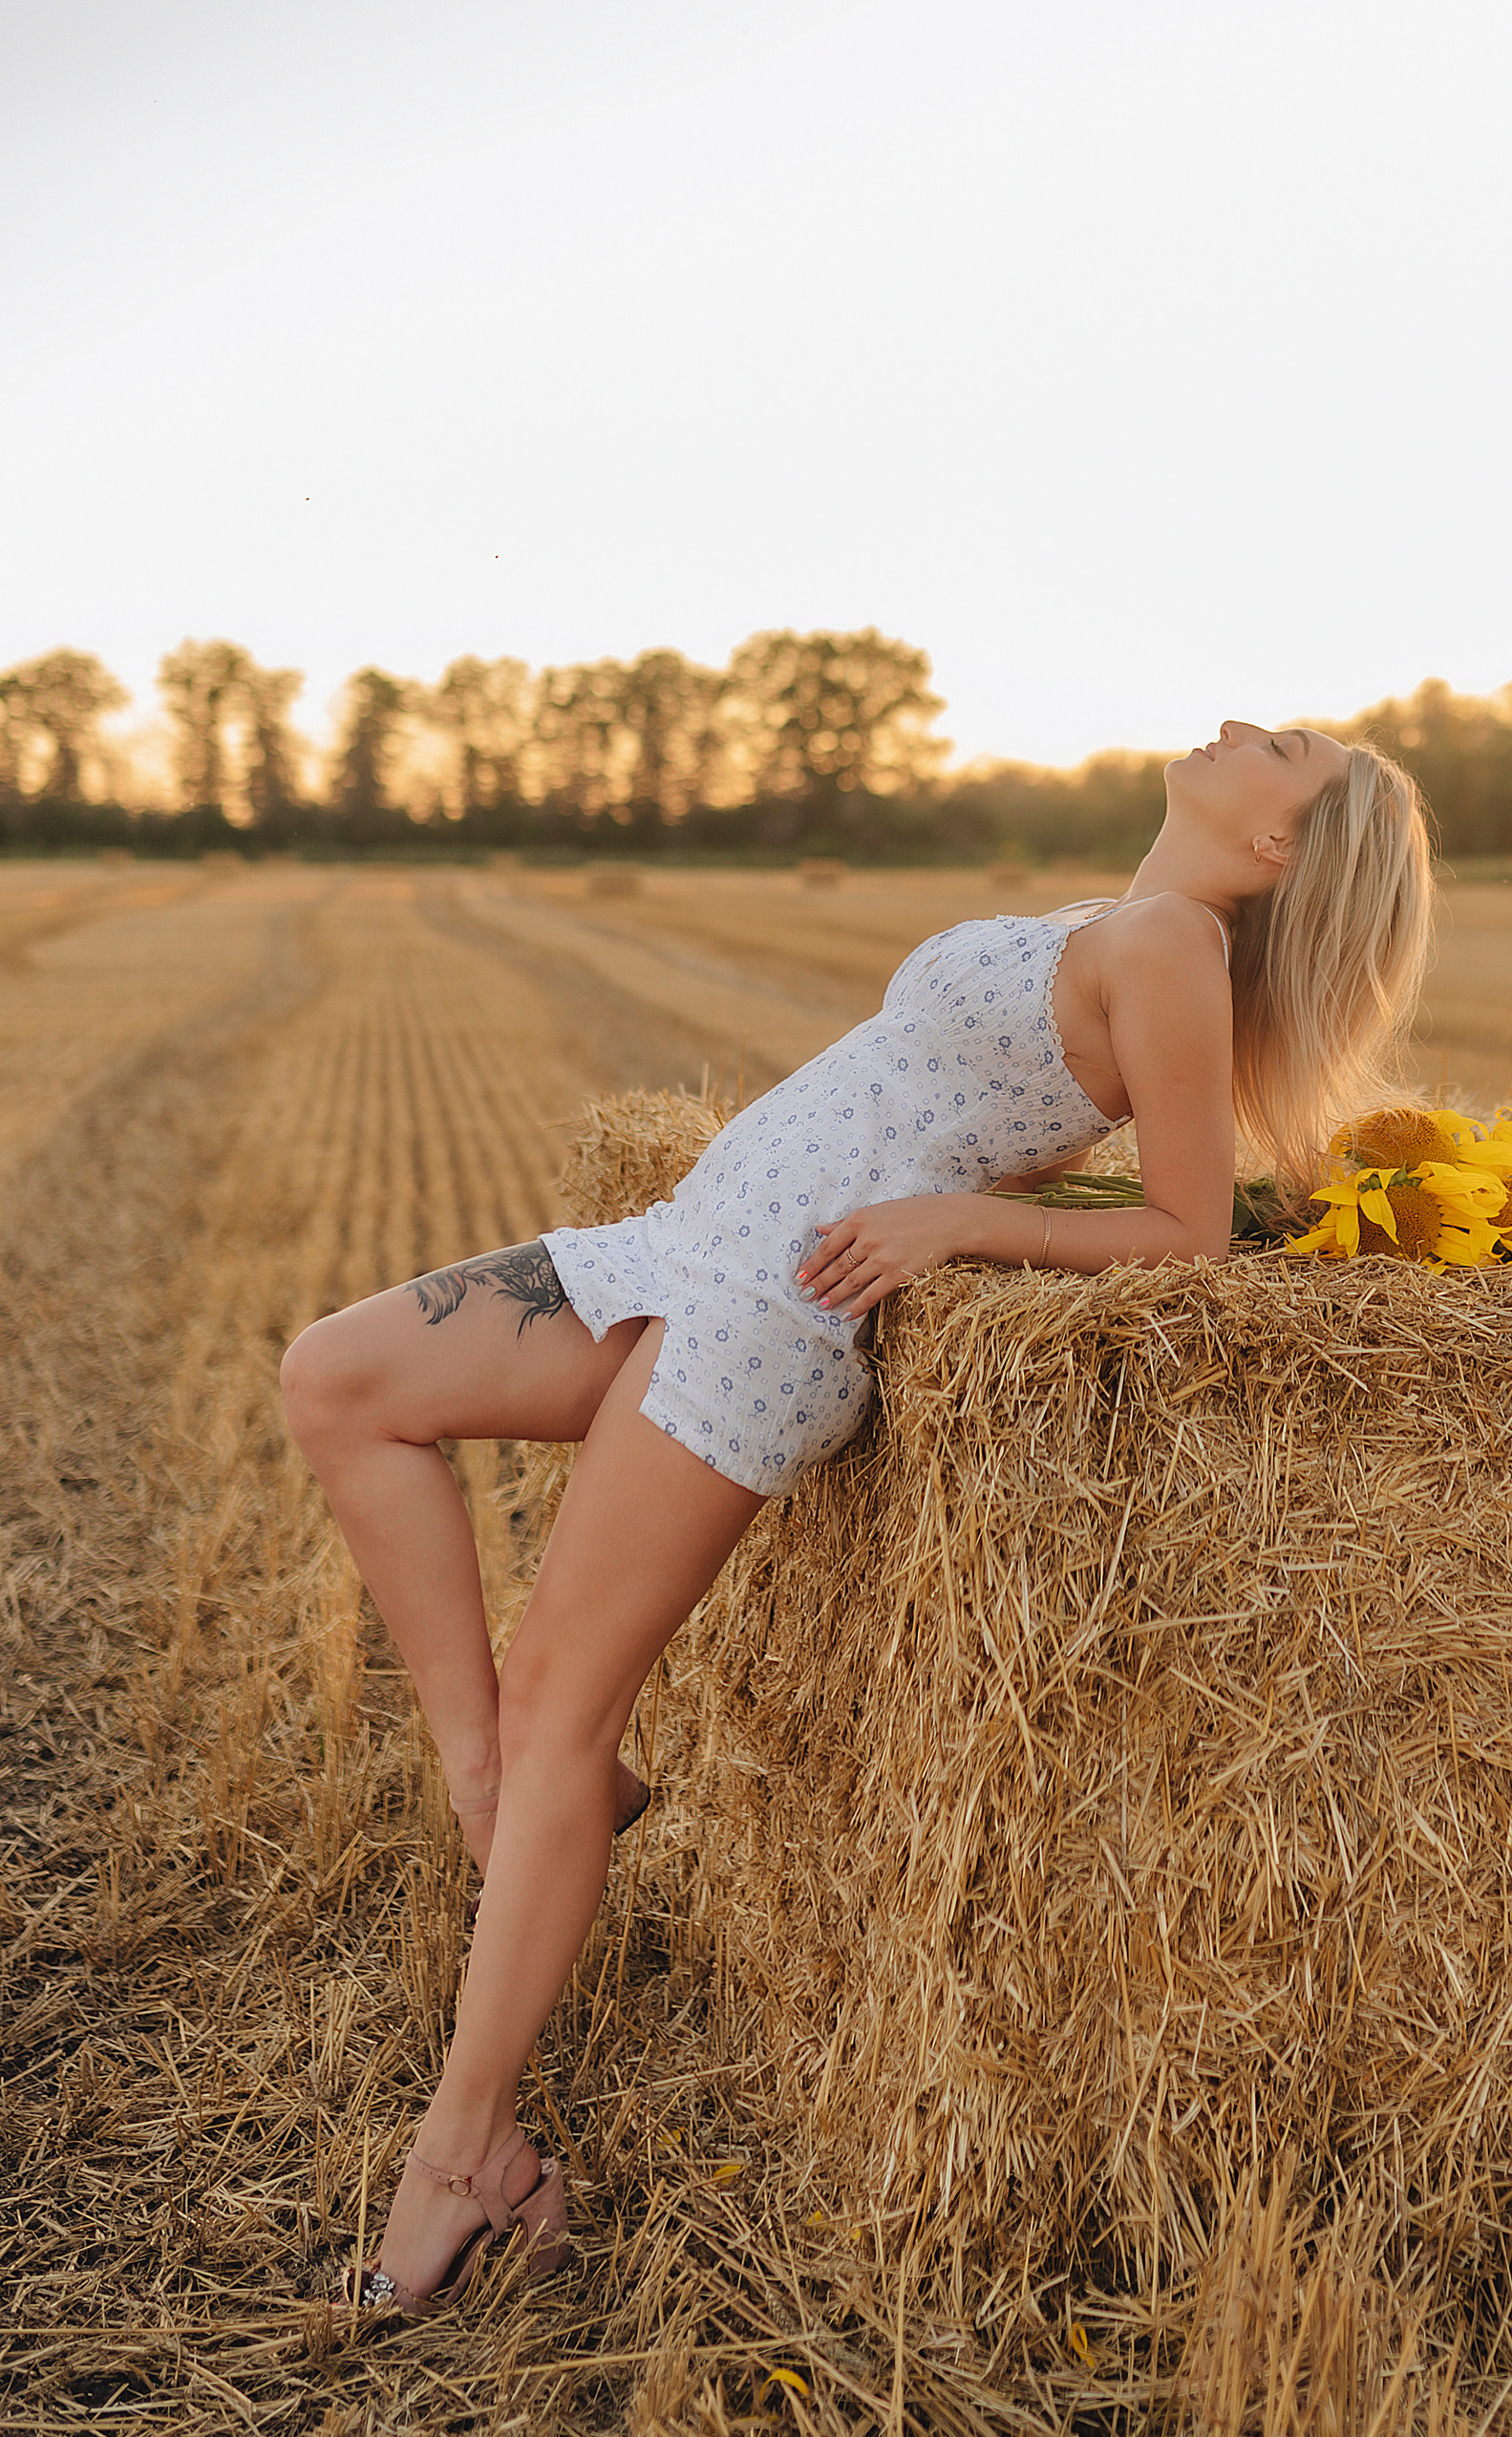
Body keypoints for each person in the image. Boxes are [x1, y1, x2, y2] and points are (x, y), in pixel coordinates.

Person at [279, 716, 1432, 2311]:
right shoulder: (1116, 918)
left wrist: (955, 1219)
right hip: (691, 1238)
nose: (1241, 724)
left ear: (1281, 847)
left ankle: (469, 2151)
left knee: (562, 1696)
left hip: (770, 1311)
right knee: (337, 1378)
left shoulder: (1175, 943)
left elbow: (1189, 1233)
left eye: (1283, 746)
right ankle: (500, 1778)